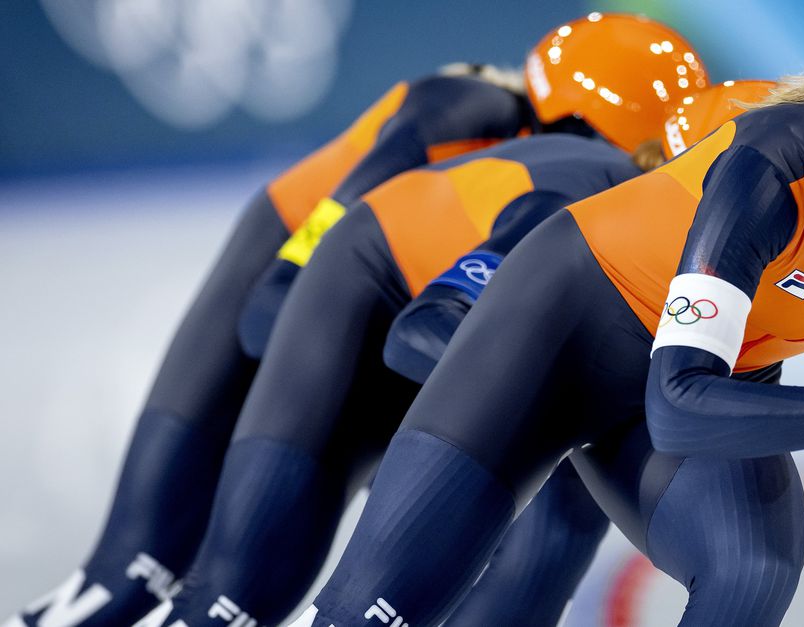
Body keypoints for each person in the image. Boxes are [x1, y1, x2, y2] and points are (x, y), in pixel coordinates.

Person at [290, 12, 804, 627]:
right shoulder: (782, 166)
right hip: (562, 336)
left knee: (752, 566)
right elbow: (675, 401)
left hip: (708, 373)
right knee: (375, 610)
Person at [122, 14, 711, 627]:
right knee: (166, 577)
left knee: (543, 506)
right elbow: (273, 307)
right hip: (320, 275)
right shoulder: (463, 114)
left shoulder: (605, 203)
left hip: (403, 317)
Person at [5, 62, 547, 627]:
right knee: (136, 571)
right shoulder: (470, 105)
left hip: (356, 320)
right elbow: (274, 301)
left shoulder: (559, 161)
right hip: (285, 284)